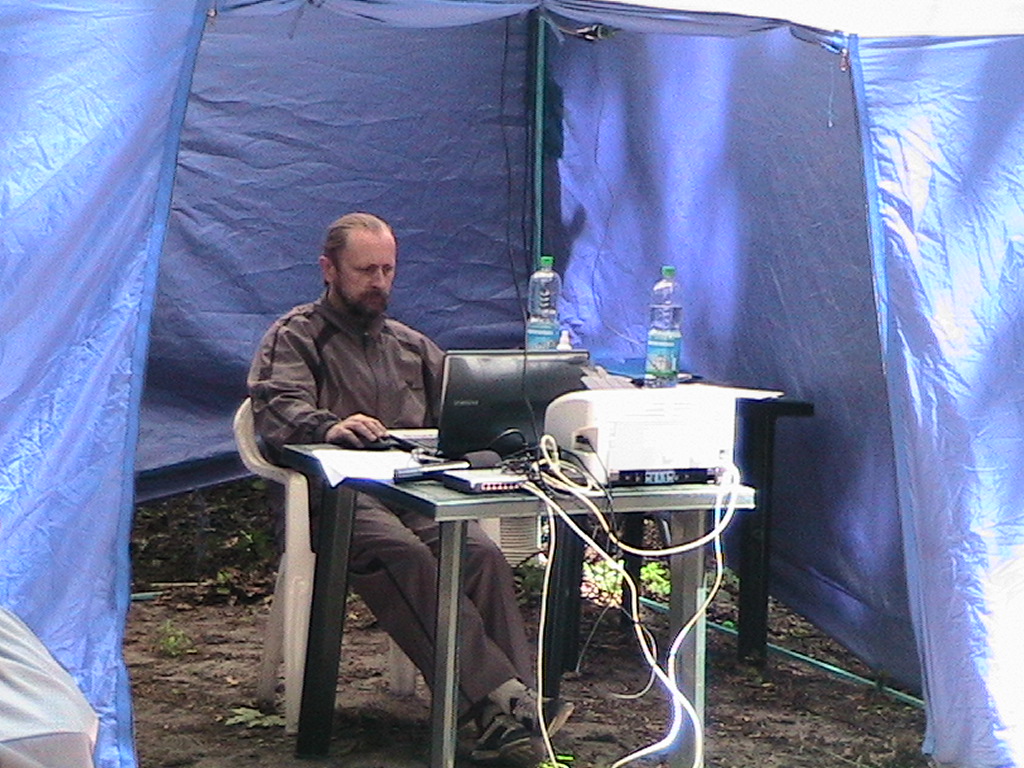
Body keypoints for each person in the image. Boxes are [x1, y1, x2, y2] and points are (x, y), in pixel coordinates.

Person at [247, 212, 571, 765]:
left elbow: (467, 409)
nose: (379, 282)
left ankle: (512, 711)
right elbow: (277, 407)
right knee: (403, 554)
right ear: (328, 269)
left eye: (388, 270)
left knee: (481, 554)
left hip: (416, 492)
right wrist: (330, 426)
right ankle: (502, 701)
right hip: (334, 498)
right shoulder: (296, 335)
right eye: (365, 270)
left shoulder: (411, 346)